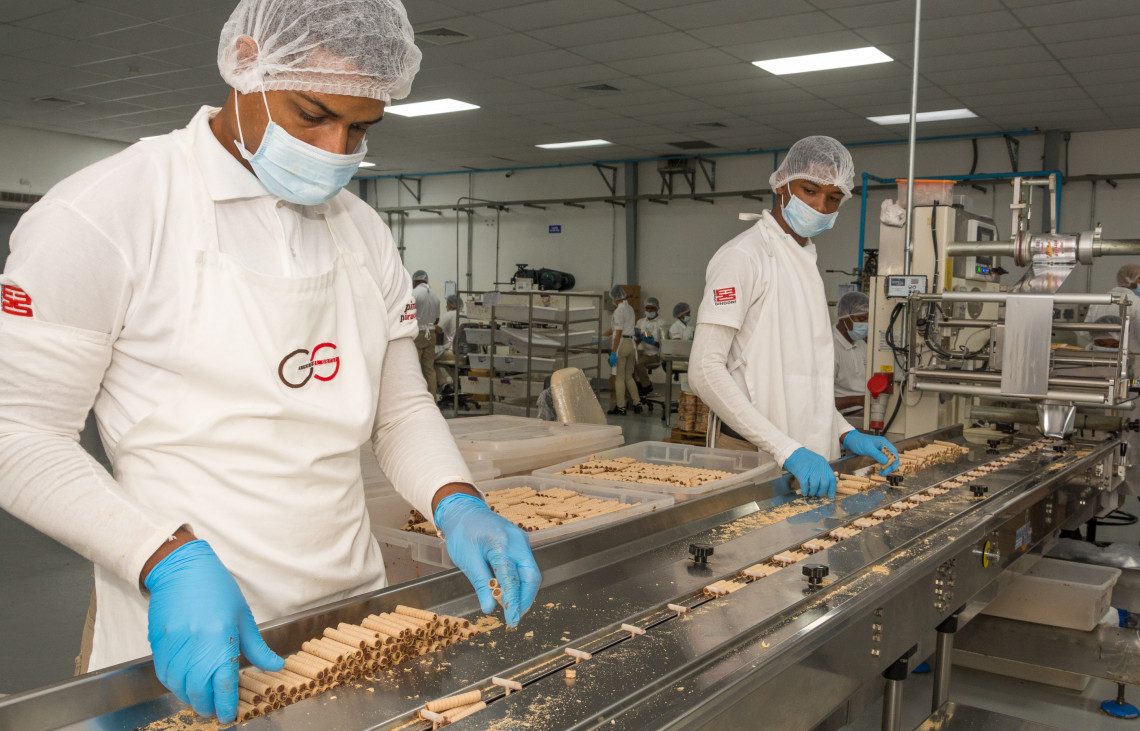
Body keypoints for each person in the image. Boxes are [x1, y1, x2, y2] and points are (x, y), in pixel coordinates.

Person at [0, 0, 540, 723]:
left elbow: (401, 408)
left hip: (351, 624)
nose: (334, 147)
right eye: (311, 113)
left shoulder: (363, 232)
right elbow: (18, 433)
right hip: (189, 633)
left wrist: (455, 500)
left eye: (358, 128)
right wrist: (164, 557)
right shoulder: (110, 213)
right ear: (246, 64)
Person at [688, 136, 899, 499]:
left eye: (833, 198)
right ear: (782, 185)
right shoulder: (745, 256)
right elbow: (704, 371)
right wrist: (787, 450)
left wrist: (845, 432)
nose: (820, 206)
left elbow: (804, 382)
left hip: (805, 455)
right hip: (753, 454)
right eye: (809, 190)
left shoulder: (806, 262)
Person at [1084, 264, 1140, 353]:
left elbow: (1085, 332)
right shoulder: (1137, 303)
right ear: (1130, 280)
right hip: (1132, 358)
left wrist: (1102, 342)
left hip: (1099, 355)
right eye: (1139, 279)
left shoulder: (1099, 301)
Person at [606, 285, 642, 415]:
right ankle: (637, 404)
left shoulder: (619, 311)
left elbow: (618, 333)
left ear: (615, 298)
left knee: (619, 378)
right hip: (631, 345)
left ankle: (621, 407)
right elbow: (616, 329)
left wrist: (613, 352)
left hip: (622, 345)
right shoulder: (630, 308)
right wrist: (603, 335)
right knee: (629, 377)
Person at [833, 291, 870, 412]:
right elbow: (819, 400)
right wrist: (859, 400)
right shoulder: (830, 348)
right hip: (843, 418)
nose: (866, 324)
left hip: (864, 411)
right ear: (844, 317)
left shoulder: (860, 344)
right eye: (861, 318)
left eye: (869, 319)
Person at [412, 269, 441, 396]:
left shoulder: (414, 294)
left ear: (415, 281)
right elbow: (437, 319)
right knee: (429, 369)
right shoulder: (434, 295)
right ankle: (432, 399)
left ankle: (417, 399)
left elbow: (408, 316)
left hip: (418, 334)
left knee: (415, 369)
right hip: (431, 335)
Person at [634, 296, 665, 398]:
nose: (649, 310)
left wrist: (652, 342)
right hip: (641, 351)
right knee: (628, 361)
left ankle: (648, 387)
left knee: (638, 364)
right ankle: (636, 387)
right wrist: (636, 340)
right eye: (647, 308)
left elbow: (663, 344)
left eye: (652, 308)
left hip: (654, 354)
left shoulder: (662, 323)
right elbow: (636, 338)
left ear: (657, 309)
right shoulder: (640, 322)